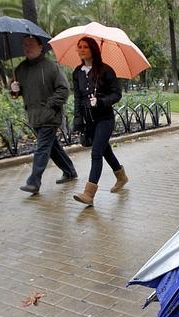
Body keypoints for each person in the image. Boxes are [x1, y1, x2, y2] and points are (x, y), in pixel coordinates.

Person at [10, 35, 77, 194]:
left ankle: (34, 182)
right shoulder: (19, 69)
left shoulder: (51, 67)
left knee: (42, 149)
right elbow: (16, 93)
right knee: (52, 147)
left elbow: (64, 89)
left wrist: (50, 106)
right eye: (25, 44)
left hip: (50, 116)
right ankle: (70, 171)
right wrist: (13, 90)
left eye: (31, 44)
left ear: (41, 47)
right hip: (33, 117)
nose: (27, 47)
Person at [71, 37, 128, 206]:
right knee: (105, 150)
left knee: (96, 152)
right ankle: (121, 176)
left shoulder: (106, 70)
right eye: (79, 47)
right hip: (89, 120)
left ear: (93, 49)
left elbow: (116, 94)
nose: (81, 50)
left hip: (105, 119)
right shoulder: (77, 72)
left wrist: (101, 101)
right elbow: (77, 98)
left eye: (85, 47)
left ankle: (89, 194)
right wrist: (78, 119)